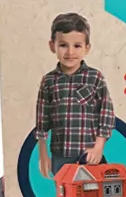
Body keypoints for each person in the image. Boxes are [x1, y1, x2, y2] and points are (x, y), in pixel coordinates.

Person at [35, 13, 115, 178]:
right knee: (64, 189)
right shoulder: (48, 81)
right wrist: (43, 155)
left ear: (87, 48)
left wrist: (98, 147)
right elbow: (42, 121)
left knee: (92, 189)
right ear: (52, 46)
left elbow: (106, 114)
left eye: (77, 46)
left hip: (88, 153)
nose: (70, 52)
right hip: (60, 154)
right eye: (63, 45)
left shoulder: (95, 77)